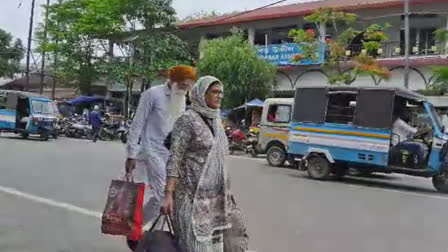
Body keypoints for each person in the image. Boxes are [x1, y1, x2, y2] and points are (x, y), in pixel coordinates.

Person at [161, 76, 248, 252]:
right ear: (201, 94)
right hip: (190, 198)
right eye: (215, 92)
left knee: (214, 247)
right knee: (194, 246)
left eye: (221, 92)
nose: (220, 96)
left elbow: (221, 159)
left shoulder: (217, 121)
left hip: (215, 201)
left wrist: (227, 191)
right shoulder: (187, 120)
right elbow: (175, 158)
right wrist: (168, 194)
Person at [125, 65, 197, 231]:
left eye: (189, 86)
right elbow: (137, 124)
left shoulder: (180, 99)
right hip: (151, 152)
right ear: (172, 81)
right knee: (163, 198)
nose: (185, 90)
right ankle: (145, 232)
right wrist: (131, 154)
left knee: (170, 198)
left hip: (171, 155)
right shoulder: (152, 94)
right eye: (183, 85)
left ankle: (137, 228)